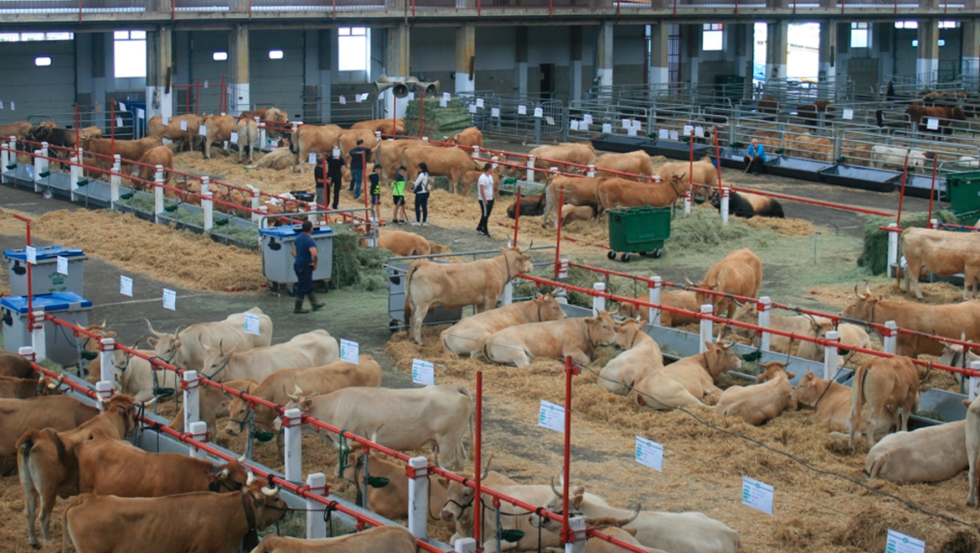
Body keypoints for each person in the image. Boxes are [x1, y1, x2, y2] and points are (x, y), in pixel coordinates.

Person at [292, 220, 324, 314]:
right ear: (311, 229)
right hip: (305, 266)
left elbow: (294, 249)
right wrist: (315, 263)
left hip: (298, 264)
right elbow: (314, 254)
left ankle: (314, 304)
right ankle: (297, 308)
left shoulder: (298, 238)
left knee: (308, 285)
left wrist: (298, 258)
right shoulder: (310, 240)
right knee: (303, 286)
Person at [476, 163, 495, 237]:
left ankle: (480, 226)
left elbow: (491, 186)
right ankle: (485, 230)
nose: (493, 170)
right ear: (489, 169)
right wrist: (485, 200)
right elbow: (482, 190)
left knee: (487, 214)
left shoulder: (490, 177)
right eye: (492, 168)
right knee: (485, 215)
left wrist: (492, 195)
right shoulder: (482, 178)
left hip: (490, 198)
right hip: (484, 199)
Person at [412, 162, 431, 226]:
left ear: (421, 168)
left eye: (419, 168)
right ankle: (424, 221)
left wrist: (413, 185)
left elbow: (416, 183)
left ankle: (418, 221)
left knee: (417, 207)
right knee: (424, 207)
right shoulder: (427, 174)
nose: (418, 169)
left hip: (420, 192)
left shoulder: (421, 175)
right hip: (426, 192)